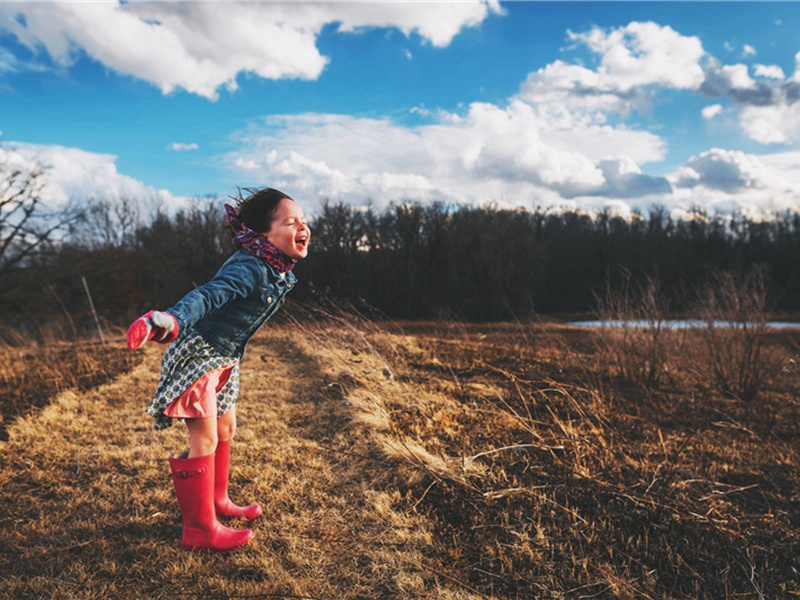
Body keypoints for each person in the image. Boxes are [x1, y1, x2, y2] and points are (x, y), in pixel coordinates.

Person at [126, 187, 310, 553]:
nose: (303, 227)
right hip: (200, 355)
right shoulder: (250, 267)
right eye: (291, 222)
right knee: (205, 439)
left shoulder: (273, 265)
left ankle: (218, 500)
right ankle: (199, 529)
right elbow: (210, 295)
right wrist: (169, 319)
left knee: (227, 428)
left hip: (224, 358)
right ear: (262, 234)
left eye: (304, 221)